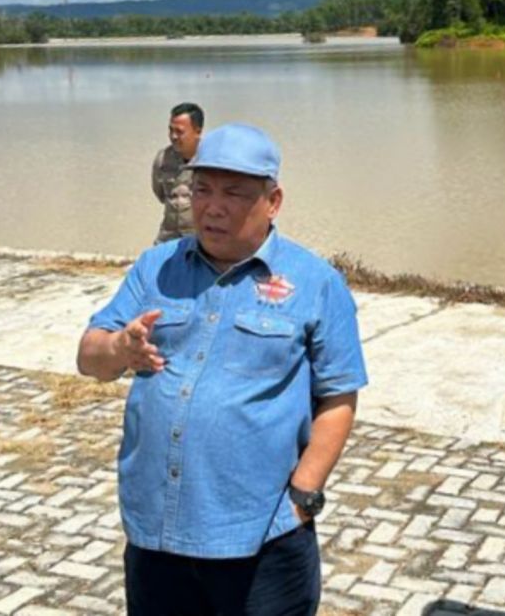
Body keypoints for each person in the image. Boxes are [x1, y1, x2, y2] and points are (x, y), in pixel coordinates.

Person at [77, 123, 367, 616]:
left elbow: (338, 397)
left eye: (233, 193)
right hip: (157, 534)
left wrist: (304, 495)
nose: (212, 206)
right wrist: (121, 348)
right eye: (202, 189)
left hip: (263, 539)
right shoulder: (155, 267)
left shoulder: (316, 283)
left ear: (272, 201)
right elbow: (88, 357)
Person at [152, 102, 203, 244]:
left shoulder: (210, 160)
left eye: (179, 132)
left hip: (200, 237)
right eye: (171, 130)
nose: (173, 136)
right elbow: (160, 194)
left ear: (197, 131)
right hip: (168, 236)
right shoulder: (162, 159)